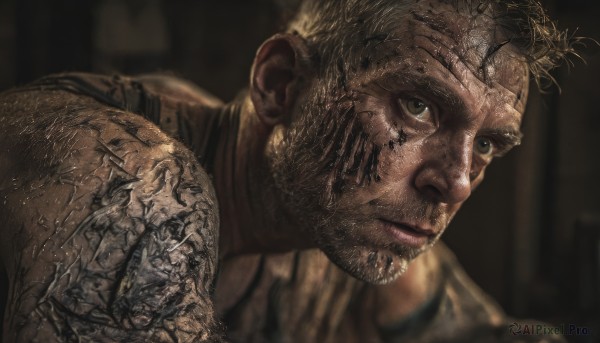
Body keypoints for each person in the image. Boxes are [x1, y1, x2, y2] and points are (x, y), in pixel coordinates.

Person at [0, 0, 577, 342]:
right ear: (281, 84)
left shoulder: (345, 232)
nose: (455, 182)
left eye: (489, 145)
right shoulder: (128, 181)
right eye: (418, 106)